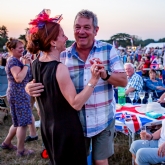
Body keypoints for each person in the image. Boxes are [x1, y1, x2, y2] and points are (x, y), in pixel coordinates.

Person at [25, 9, 127, 165]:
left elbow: (123, 81)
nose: (81, 31)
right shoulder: (62, 55)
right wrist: (28, 88)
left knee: (100, 161)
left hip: (103, 119)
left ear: (96, 30)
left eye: (87, 27)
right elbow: (45, 74)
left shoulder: (108, 50)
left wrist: (105, 75)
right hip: (75, 125)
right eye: (77, 27)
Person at [0, 38, 34, 156]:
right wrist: (26, 66)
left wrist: (28, 64)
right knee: (22, 123)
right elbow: (18, 78)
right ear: (12, 49)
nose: (22, 50)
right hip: (18, 94)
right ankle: (21, 150)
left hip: (18, 93)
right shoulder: (13, 61)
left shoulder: (17, 60)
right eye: (20, 48)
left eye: (23, 47)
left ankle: (7, 143)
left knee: (17, 121)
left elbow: (26, 77)